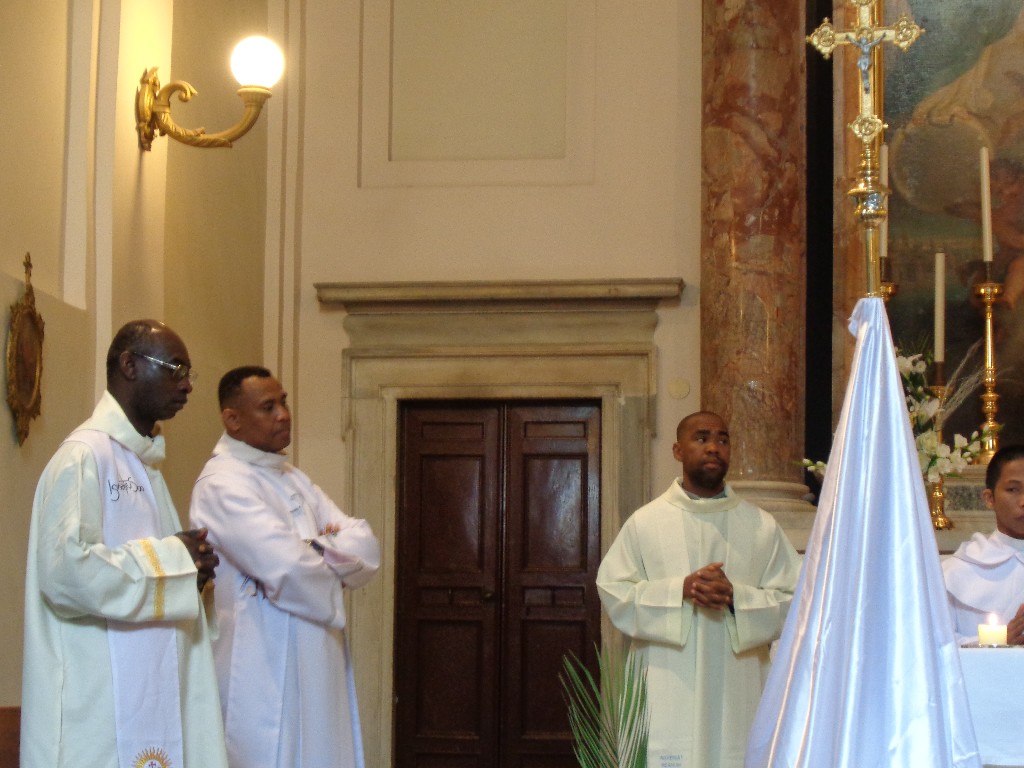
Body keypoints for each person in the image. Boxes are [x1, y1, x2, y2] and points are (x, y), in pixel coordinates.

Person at [21, 319, 228, 768]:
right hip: (96, 704)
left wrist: (194, 573)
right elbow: (65, 573)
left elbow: (163, 568)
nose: (187, 385)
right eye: (175, 369)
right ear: (129, 366)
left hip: (149, 689)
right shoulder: (83, 457)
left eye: (189, 373)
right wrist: (175, 562)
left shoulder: (144, 464)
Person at [189, 366, 381, 768]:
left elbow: (364, 542)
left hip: (317, 654)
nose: (284, 415)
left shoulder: (292, 477)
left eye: (284, 402)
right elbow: (287, 566)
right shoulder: (222, 484)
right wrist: (330, 554)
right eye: (268, 407)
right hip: (263, 664)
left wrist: (313, 550)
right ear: (232, 419)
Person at [596, 410, 801, 768]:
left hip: (738, 685)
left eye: (723, 439)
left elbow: (796, 599)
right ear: (678, 450)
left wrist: (737, 598)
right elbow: (614, 590)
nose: (713, 447)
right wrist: (680, 590)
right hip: (665, 681)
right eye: (702, 438)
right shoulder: (646, 522)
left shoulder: (761, 526)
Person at [942, 443, 1024, 645]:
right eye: (1013, 489)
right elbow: (936, 644)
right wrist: (995, 641)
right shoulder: (956, 572)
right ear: (989, 498)